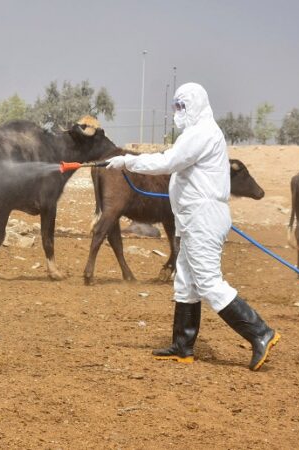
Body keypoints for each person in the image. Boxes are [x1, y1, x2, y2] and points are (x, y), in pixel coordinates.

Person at [105, 82, 280, 371]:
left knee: (209, 282)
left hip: (204, 217)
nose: (178, 112)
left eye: (182, 106)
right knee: (186, 281)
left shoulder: (202, 133)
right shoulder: (197, 133)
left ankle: (260, 332)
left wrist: (127, 161)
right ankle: (182, 346)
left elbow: (169, 161)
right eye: (176, 106)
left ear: (197, 104)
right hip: (192, 218)